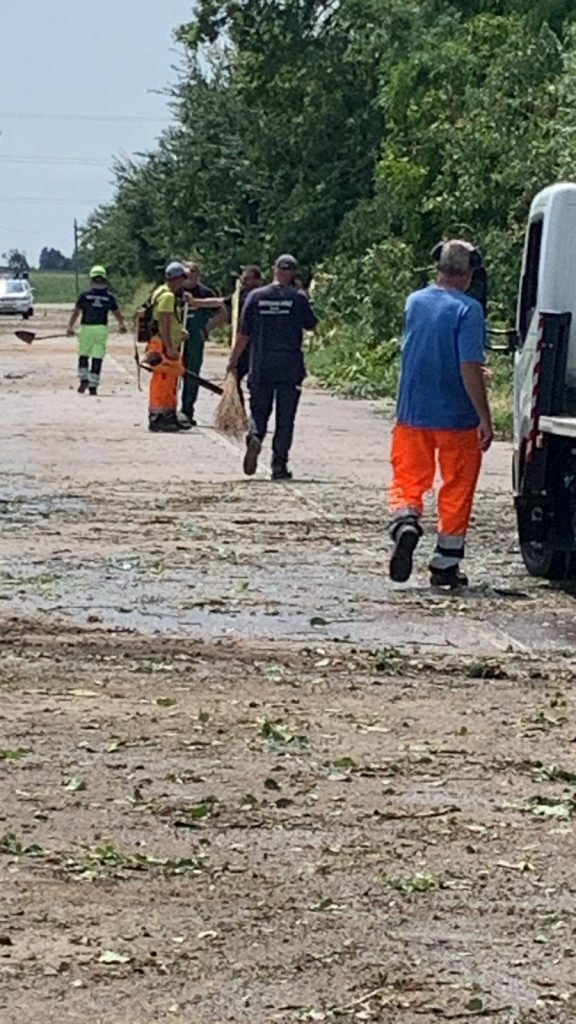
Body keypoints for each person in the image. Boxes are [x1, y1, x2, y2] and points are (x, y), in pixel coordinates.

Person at [388, 239, 493, 589]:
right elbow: (468, 365)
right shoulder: (469, 310)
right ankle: (445, 564)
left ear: (438, 266)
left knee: (408, 478)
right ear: (470, 271)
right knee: (456, 487)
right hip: (457, 417)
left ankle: (406, 522)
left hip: (412, 412)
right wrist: (484, 417)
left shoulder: (414, 302)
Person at [227, 253, 317, 480]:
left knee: (259, 410)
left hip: (261, 364)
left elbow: (243, 334)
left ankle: (255, 436)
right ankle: (279, 465)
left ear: (274, 270)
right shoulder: (298, 298)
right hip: (289, 366)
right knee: (285, 418)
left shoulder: (256, 296)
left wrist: (233, 361)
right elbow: (311, 325)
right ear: (293, 272)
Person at [67, 265, 127, 395]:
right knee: (97, 357)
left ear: (91, 279)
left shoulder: (84, 296)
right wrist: (122, 325)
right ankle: (93, 385)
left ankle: (83, 378)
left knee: (83, 354)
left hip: (86, 329)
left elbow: (76, 313)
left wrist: (70, 327)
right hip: (101, 329)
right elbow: (117, 313)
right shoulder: (109, 297)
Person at [208, 265, 264, 404]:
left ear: (258, 280)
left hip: (259, 344)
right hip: (242, 343)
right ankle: (238, 409)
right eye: (243, 279)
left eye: (248, 279)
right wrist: (193, 301)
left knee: (256, 381)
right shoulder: (240, 295)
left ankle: (257, 409)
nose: (244, 282)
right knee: (234, 375)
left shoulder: (263, 296)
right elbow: (220, 302)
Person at [145, 261, 189, 433]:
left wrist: (178, 332)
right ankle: (158, 417)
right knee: (163, 382)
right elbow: (163, 321)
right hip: (163, 345)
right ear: (178, 278)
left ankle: (168, 415)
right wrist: (170, 346)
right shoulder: (168, 296)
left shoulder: (160, 292)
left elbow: (167, 321)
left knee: (169, 381)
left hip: (161, 342)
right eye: (183, 278)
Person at [180, 262, 221, 427]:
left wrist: (207, 328)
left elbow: (222, 311)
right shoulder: (174, 289)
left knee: (192, 374)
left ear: (198, 274)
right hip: (175, 339)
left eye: (194, 271)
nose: (190, 274)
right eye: (187, 271)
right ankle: (168, 409)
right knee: (170, 373)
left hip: (195, 340)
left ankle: (187, 411)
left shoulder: (205, 293)